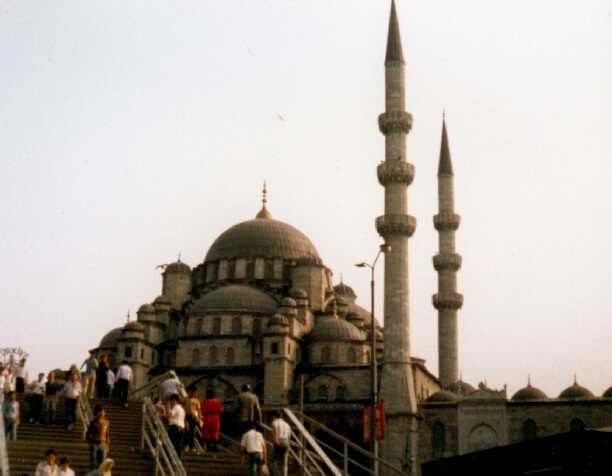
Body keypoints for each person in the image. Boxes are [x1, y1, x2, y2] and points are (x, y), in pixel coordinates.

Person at [86, 404, 111, 470]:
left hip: (103, 443)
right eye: (101, 412)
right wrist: (89, 442)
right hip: (94, 443)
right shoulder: (93, 422)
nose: (103, 413)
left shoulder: (106, 422)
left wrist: (108, 445)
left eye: (103, 412)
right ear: (97, 413)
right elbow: (88, 433)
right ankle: (93, 472)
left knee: (102, 460)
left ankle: (100, 472)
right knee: (93, 460)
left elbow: (107, 434)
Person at [201, 388, 223, 452]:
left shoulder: (203, 402)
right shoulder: (217, 402)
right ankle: (214, 447)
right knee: (214, 433)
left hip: (207, 418)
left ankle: (208, 448)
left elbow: (202, 411)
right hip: (215, 419)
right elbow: (220, 411)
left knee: (207, 433)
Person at [271, 411, 292, 476]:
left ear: (274, 416)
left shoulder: (274, 423)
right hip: (286, 442)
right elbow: (289, 435)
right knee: (284, 463)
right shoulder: (287, 424)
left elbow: (275, 433)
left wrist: (276, 442)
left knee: (273, 461)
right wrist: (287, 443)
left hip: (279, 441)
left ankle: (277, 474)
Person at [183, 384, 202, 454]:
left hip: (194, 417)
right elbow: (182, 405)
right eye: (194, 392)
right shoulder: (185, 399)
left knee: (193, 433)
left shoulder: (196, 400)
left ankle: (192, 447)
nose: (195, 394)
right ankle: (187, 446)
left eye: (195, 392)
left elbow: (199, 410)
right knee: (187, 432)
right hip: (186, 417)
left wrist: (199, 418)